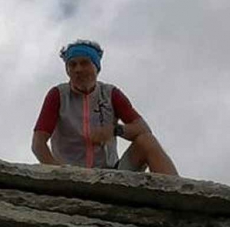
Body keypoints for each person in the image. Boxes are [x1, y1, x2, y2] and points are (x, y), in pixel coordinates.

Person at [31, 39, 177, 174]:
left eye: (84, 63)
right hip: (71, 173)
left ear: (96, 67)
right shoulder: (58, 95)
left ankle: (175, 195)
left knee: (147, 141)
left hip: (111, 172)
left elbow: (143, 129)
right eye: (72, 64)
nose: (78, 69)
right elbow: (38, 144)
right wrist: (58, 172)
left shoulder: (111, 94)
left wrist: (115, 130)